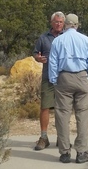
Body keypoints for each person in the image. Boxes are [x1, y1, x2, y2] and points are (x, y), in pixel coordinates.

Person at [48, 13, 88, 164]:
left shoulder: (58, 40)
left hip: (64, 78)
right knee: (82, 115)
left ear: (65, 24)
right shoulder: (85, 40)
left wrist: (53, 79)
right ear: (76, 24)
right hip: (82, 77)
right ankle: (82, 152)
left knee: (62, 114)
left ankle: (64, 153)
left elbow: (53, 62)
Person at [32, 11, 65, 151]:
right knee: (45, 107)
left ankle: (62, 137)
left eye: (61, 22)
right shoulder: (43, 38)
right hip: (47, 77)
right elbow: (35, 52)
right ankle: (44, 137)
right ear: (51, 22)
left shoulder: (67, 37)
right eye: (56, 21)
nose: (58, 24)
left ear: (64, 24)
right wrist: (38, 58)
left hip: (63, 78)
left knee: (62, 108)